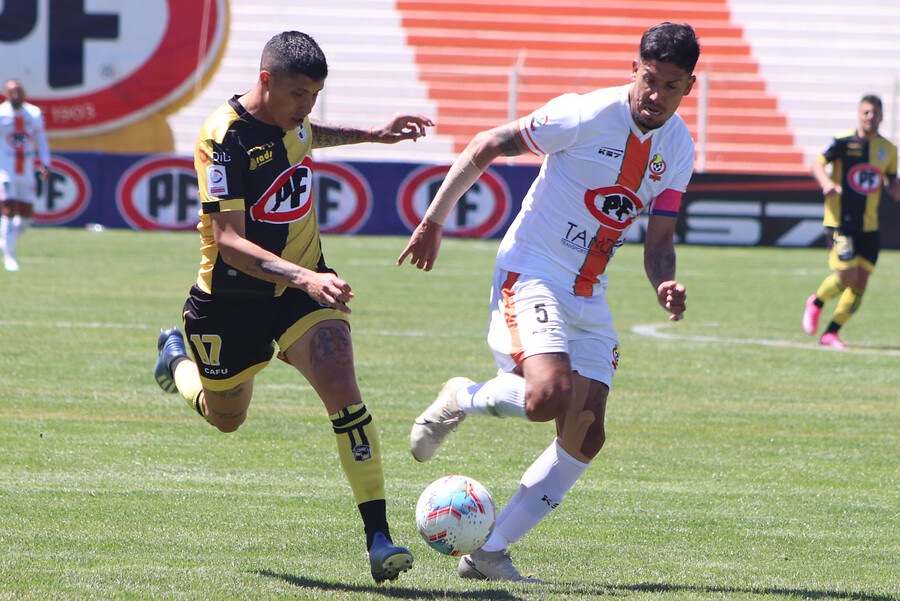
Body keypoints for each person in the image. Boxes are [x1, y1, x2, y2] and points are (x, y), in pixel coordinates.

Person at [397, 22, 699, 582]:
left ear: (689, 87)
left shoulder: (678, 147)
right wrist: (434, 220)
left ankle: (488, 552)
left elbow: (660, 240)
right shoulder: (583, 115)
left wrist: (664, 283)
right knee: (549, 397)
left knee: (586, 432)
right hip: (533, 272)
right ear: (633, 68)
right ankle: (461, 396)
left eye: (671, 86)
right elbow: (488, 143)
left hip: (590, 292)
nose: (655, 95)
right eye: (649, 80)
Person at [153, 31, 433, 584]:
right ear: (266, 82)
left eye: (315, 95)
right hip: (229, 303)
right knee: (226, 419)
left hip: (301, 292)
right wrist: (304, 275)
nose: (307, 107)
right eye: (299, 94)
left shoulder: (292, 120)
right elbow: (229, 238)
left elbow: (310, 135)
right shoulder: (223, 138)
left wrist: (374, 135)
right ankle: (175, 362)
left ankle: (378, 536)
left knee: (342, 384)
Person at [802, 94, 900, 349]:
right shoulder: (843, 142)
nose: (870, 117)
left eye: (875, 113)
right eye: (866, 112)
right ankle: (817, 302)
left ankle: (831, 333)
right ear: (859, 114)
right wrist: (827, 184)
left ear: (882, 116)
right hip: (840, 222)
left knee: (862, 281)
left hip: (869, 226)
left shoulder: (888, 149)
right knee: (848, 275)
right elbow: (816, 163)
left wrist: (895, 188)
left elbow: (891, 180)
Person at [0, 79, 51, 272]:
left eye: (19, 91)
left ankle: (6, 240)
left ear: (24, 93)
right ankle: (9, 256)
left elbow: (41, 139)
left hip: (27, 170)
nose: (16, 95)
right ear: (6, 94)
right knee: (8, 211)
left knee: (27, 217)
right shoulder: (1, 113)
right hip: (5, 170)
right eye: (12, 92)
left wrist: (46, 163)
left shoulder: (34, 113)